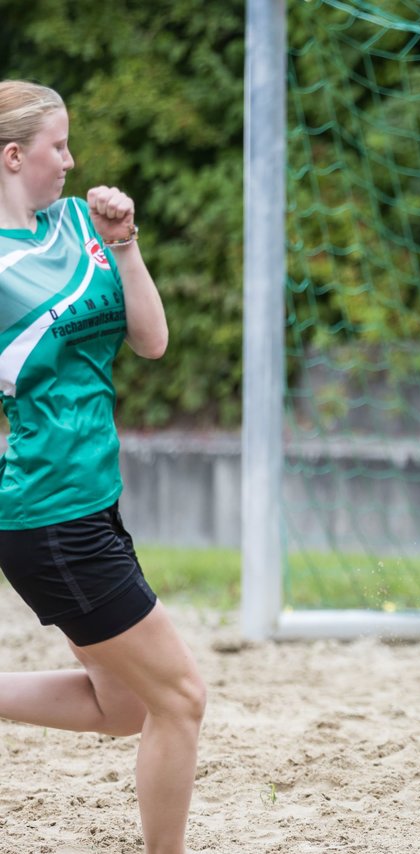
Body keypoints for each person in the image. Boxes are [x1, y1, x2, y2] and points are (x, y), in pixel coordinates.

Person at [0, 80, 205, 853]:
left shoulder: (82, 224)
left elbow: (150, 341)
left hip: (91, 506)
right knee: (181, 698)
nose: (72, 160)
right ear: (15, 156)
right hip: (48, 516)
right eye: (58, 146)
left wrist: (125, 244)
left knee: (122, 709)